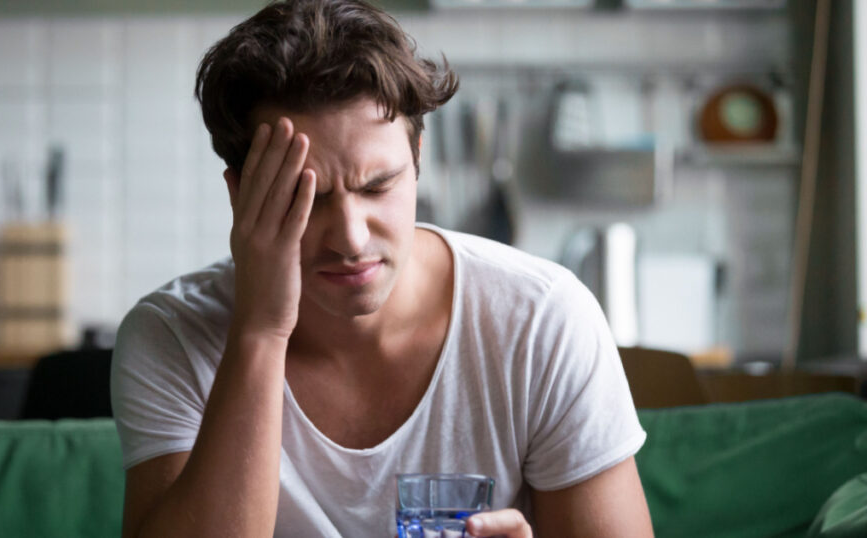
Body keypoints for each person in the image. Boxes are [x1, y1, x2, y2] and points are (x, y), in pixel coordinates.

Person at [110, 1, 654, 536]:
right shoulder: (172, 336)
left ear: (417, 156)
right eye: (308, 196)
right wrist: (260, 329)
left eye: (377, 186)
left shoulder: (542, 319)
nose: (350, 236)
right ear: (241, 195)